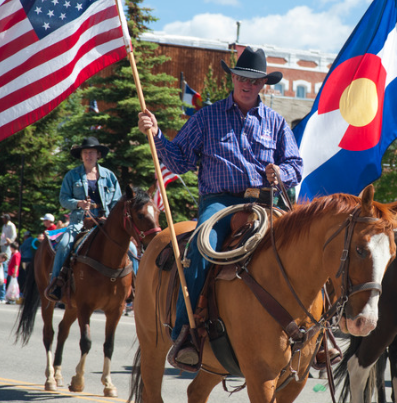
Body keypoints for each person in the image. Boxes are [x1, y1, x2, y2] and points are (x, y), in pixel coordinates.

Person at [138, 46, 303, 368]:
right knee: (202, 247)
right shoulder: (207, 117)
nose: (247, 85)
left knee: (304, 246)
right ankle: (188, 331)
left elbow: (295, 163)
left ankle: (316, 334)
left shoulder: (276, 123)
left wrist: (282, 172)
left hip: (265, 203)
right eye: (242, 78)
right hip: (220, 202)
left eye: (254, 81)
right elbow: (180, 160)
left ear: (263, 85)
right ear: (234, 79)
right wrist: (156, 133)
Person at [45, 137, 124, 301]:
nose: (89, 155)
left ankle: (134, 286)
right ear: (81, 156)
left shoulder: (109, 176)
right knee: (65, 244)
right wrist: (78, 203)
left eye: (92, 152)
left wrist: (112, 219)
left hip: (105, 222)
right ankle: (56, 283)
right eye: (85, 152)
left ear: (98, 155)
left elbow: (117, 202)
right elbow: (63, 199)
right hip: (79, 222)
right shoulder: (72, 176)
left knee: (129, 246)